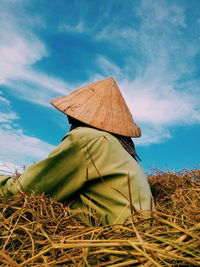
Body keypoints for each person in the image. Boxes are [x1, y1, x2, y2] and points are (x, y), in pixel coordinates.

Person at [0, 77, 154, 225]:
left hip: (110, 236)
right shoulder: (118, 148)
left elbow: (25, 191)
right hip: (137, 235)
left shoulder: (88, 139)